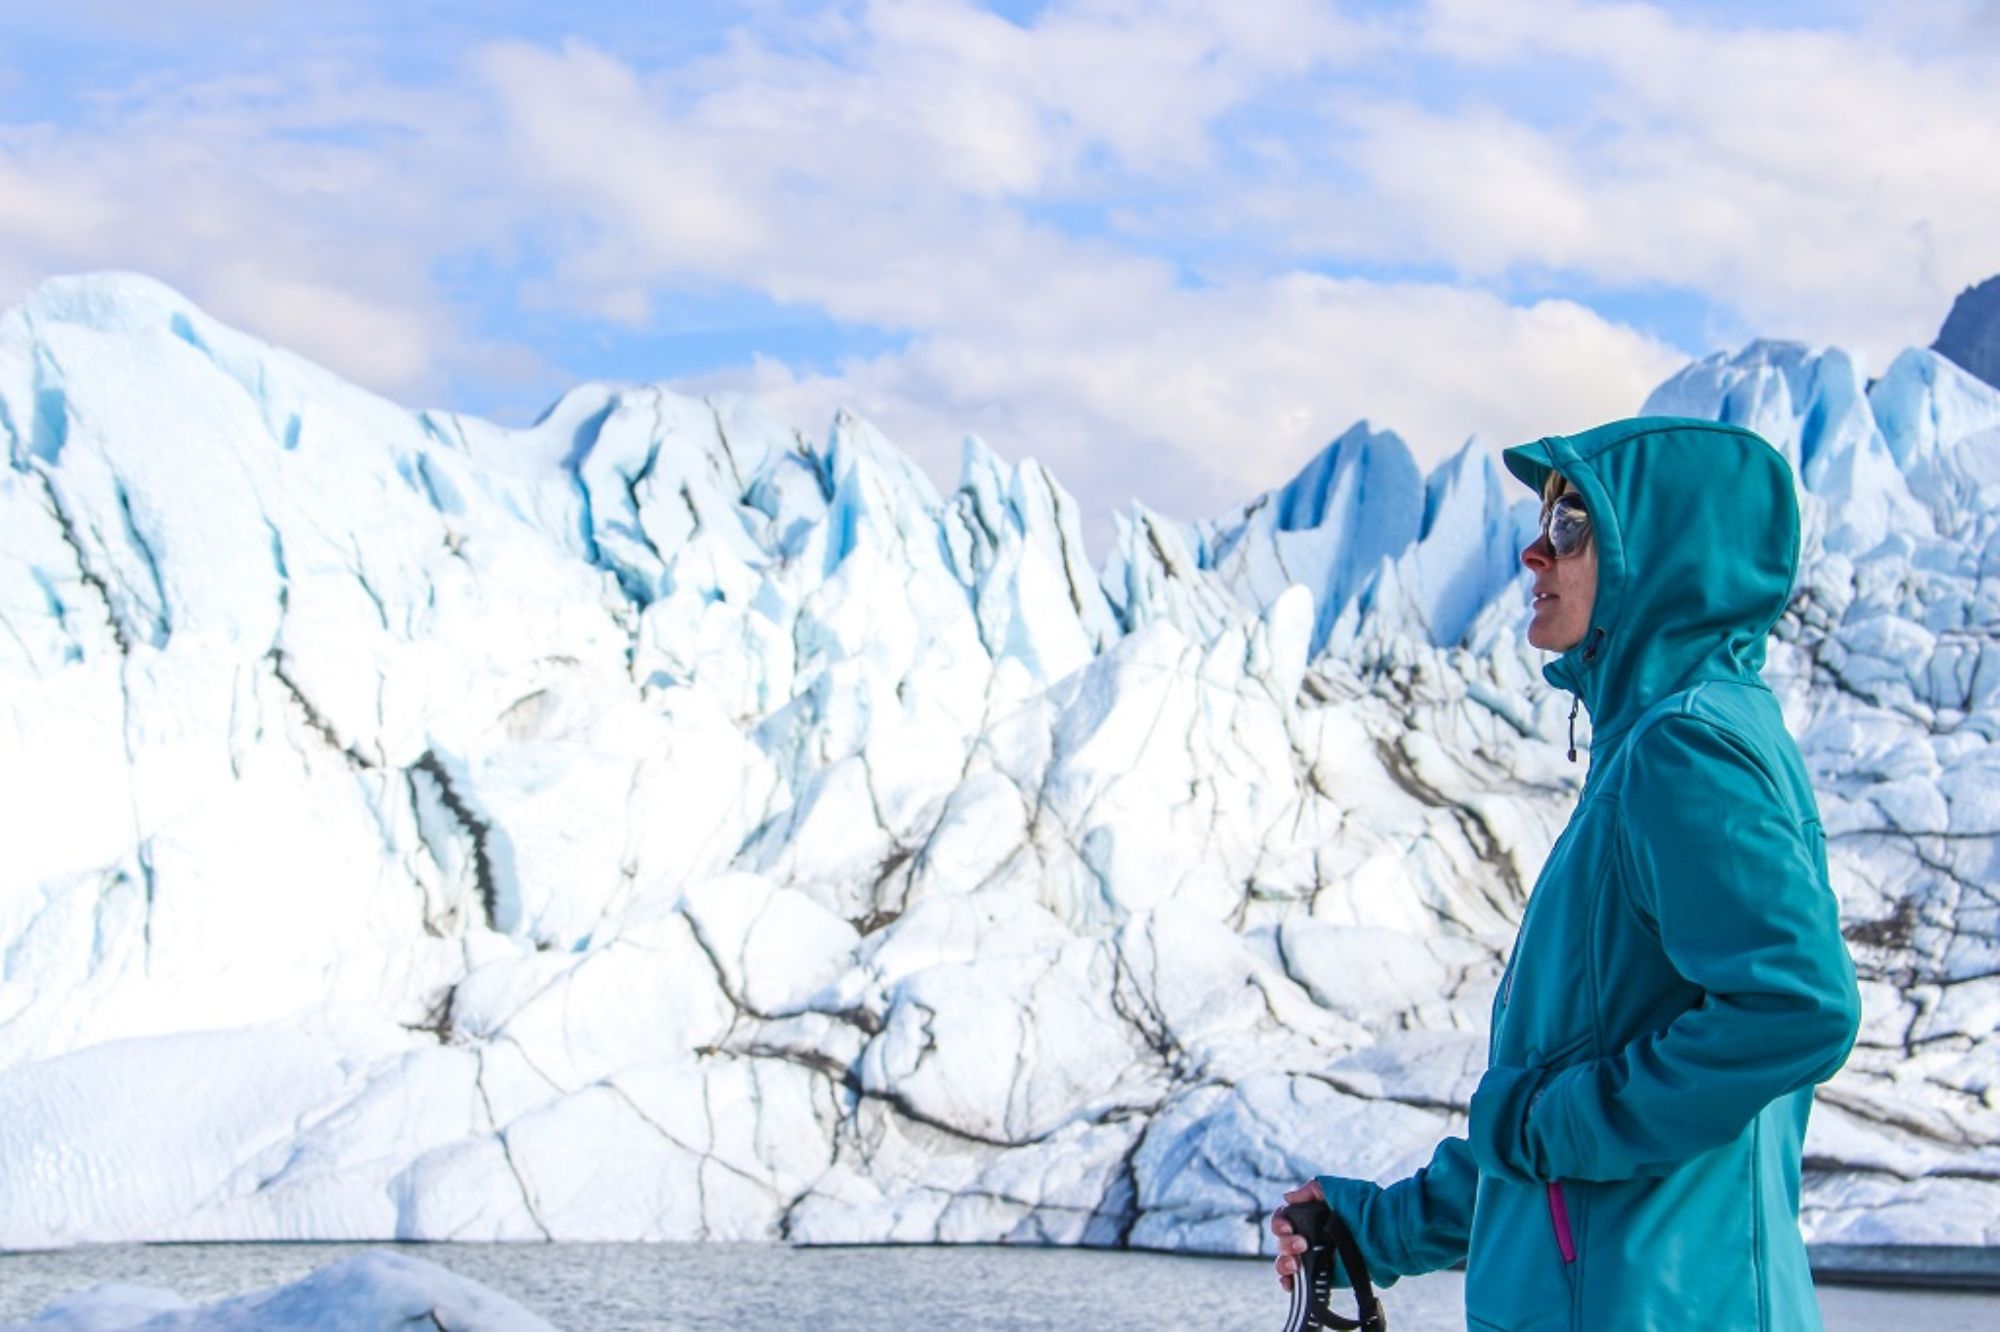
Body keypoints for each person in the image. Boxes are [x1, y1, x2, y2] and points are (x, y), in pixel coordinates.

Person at [1272, 417, 1862, 1329]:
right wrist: (1378, 1227)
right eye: (1544, 522)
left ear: (1663, 552)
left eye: (1573, 526)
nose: (1534, 552)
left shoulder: (1687, 750)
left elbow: (1798, 1007)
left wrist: (1554, 1125)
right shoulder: (1653, 748)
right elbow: (1552, 1127)